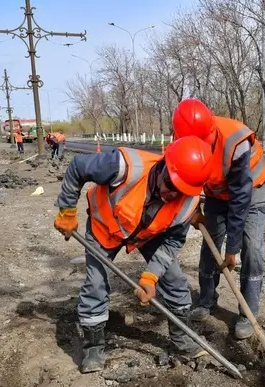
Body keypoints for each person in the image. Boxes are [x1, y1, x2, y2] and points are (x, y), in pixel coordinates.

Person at [53, 136, 213, 373]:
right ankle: (94, 347)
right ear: (164, 166)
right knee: (96, 283)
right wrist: (67, 210)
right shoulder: (124, 166)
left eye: (180, 192)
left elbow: (171, 244)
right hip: (105, 228)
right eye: (170, 185)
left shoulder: (187, 204)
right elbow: (78, 167)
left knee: (176, 281)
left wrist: (150, 278)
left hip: (147, 234)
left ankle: (182, 339)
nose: (172, 195)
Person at [172, 98, 265, 340]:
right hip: (216, 192)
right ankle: (207, 299)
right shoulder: (181, 138)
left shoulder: (235, 141)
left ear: (211, 128)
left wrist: (232, 248)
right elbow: (183, 177)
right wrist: (193, 208)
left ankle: (248, 312)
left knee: (251, 248)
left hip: (251, 190)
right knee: (211, 244)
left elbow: (240, 197)